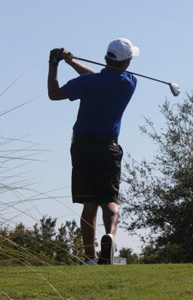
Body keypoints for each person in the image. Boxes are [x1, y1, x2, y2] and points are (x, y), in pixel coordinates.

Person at [47, 38, 140, 265]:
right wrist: (72, 61)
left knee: (89, 204)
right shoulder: (129, 82)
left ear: (107, 58)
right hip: (107, 146)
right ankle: (110, 236)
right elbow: (98, 78)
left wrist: (54, 64)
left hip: (81, 146)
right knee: (109, 200)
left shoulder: (89, 83)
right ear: (126, 63)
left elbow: (54, 93)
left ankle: (90, 257)